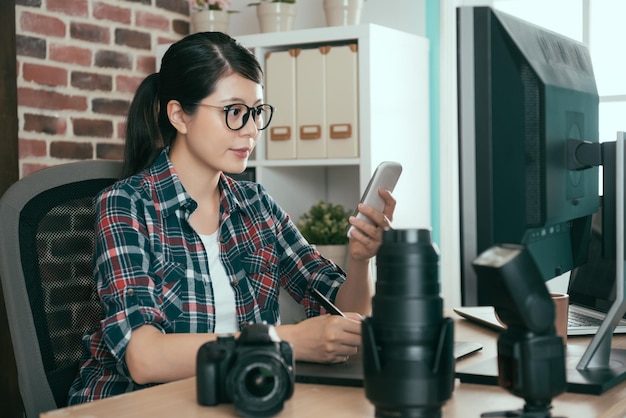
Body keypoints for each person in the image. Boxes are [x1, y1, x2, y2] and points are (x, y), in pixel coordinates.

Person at [67, 31, 396, 404]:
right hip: (138, 404)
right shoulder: (125, 205)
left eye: (256, 112)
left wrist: (359, 260)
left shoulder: (255, 204)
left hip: (243, 395)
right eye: (234, 113)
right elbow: (144, 357)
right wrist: (288, 340)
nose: (252, 131)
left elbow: (343, 313)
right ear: (179, 115)